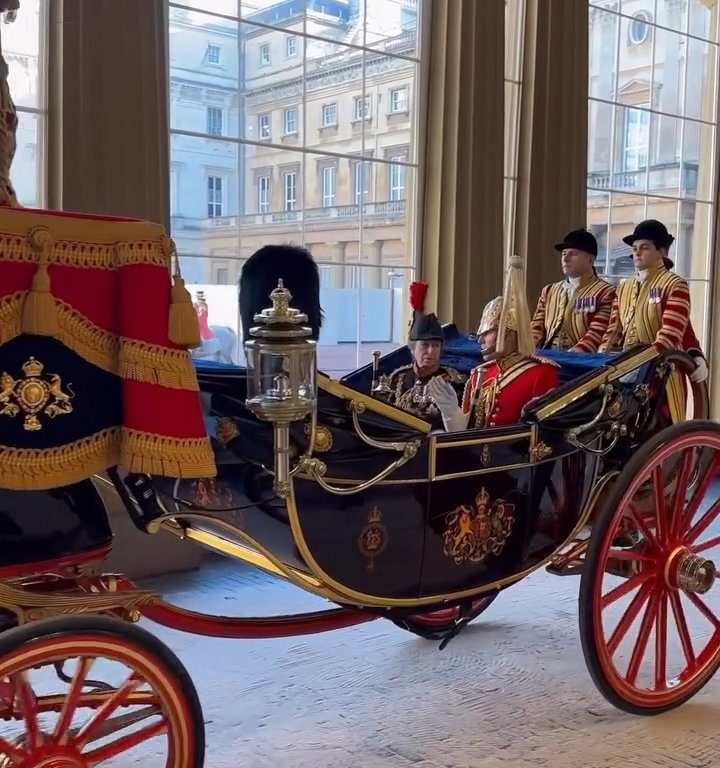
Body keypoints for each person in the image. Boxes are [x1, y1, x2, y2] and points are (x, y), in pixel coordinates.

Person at [428, 258, 559, 431]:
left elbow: (542, 435)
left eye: (488, 332)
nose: (481, 340)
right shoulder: (479, 374)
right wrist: (451, 414)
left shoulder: (541, 374)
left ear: (509, 333)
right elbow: (468, 435)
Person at [599, 219, 708, 422]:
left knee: (659, 427)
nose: (637, 253)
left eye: (645, 247)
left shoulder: (674, 284)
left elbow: (670, 334)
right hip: (623, 370)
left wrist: (637, 364)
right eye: (634, 248)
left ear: (662, 252)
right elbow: (614, 330)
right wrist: (602, 355)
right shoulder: (623, 287)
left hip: (661, 374)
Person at [383, 281, 466, 429]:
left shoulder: (453, 381)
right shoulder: (397, 378)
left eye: (435, 346)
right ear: (412, 349)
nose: (430, 351)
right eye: (425, 345)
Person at [531, 228, 615, 353]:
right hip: (546, 358)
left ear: (590, 260)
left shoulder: (606, 292)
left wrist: (572, 356)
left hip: (583, 363)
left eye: (573, 254)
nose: (565, 259)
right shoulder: (549, 291)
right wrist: (527, 348)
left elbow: (597, 333)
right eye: (564, 254)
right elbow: (536, 327)